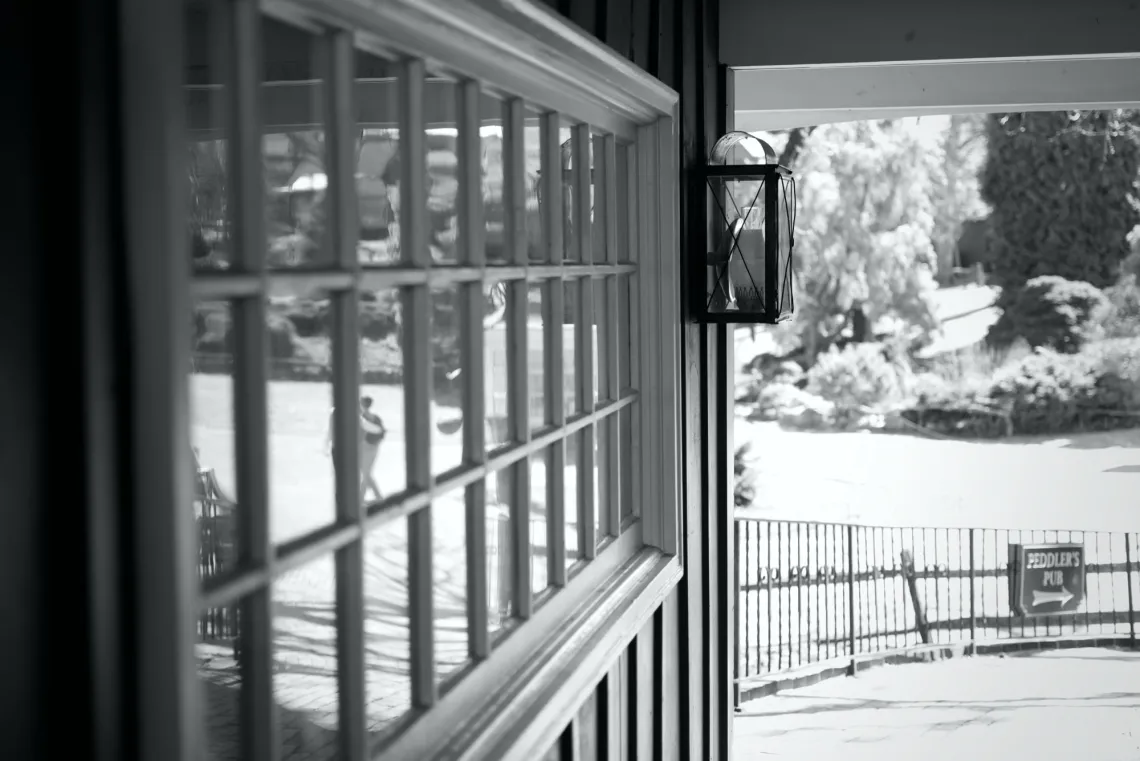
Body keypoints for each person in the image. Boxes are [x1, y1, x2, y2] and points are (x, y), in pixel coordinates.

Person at [325, 396, 387, 502]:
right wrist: (379, 430)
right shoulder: (357, 415)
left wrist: (326, 445)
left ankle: (353, 498)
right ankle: (360, 498)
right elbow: (368, 427)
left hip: (346, 449)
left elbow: (330, 432)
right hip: (355, 449)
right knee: (359, 474)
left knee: (351, 474)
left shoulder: (345, 413)